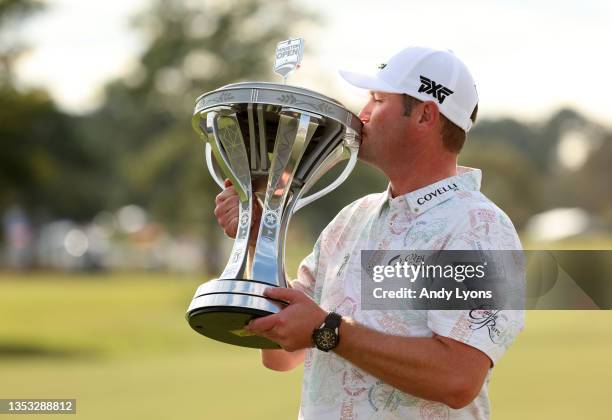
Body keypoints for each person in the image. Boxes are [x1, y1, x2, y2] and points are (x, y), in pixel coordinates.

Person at [213, 46, 524, 420]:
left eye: (378, 99)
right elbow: (282, 354)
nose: (362, 114)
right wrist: (259, 240)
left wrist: (328, 329)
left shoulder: (476, 227)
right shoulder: (352, 218)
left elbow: (458, 377)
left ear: (426, 115)